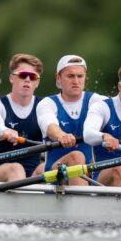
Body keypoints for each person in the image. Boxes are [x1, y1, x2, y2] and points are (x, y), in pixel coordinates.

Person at [36, 54, 103, 185]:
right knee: (76, 156)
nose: (76, 81)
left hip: (91, 173)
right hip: (55, 174)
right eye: (70, 76)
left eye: (80, 76)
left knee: (118, 169)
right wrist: (61, 135)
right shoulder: (48, 103)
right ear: (58, 78)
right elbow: (49, 125)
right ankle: (83, 202)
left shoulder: (97, 101)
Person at [0, 54, 46, 182]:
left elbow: (52, 126)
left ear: (37, 83)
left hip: (33, 173)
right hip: (1, 172)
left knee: (50, 167)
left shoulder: (46, 106)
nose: (27, 80)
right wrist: (5, 132)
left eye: (33, 77)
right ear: (12, 79)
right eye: (23, 75)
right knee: (16, 169)